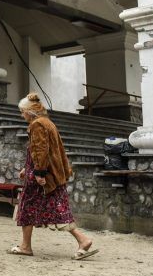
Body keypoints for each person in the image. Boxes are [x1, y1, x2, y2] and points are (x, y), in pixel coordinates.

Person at [8, 93, 99, 260]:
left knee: (27, 209)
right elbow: (39, 151)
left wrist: (39, 173)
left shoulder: (37, 125)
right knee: (57, 209)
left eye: (22, 112)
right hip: (49, 173)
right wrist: (26, 166)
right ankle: (82, 240)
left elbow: (41, 151)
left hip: (42, 176)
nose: (22, 115)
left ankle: (26, 247)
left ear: (30, 111)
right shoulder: (46, 123)